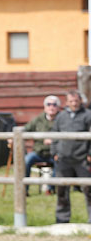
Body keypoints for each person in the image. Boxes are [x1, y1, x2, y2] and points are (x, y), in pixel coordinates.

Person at [51, 90, 91, 224]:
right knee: (62, 190)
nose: (74, 103)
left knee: (88, 189)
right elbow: (54, 134)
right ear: (66, 102)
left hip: (82, 158)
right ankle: (62, 220)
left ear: (80, 101)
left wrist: (90, 154)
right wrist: (54, 152)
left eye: (76, 101)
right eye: (71, 101)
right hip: (63, 158)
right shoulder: (61, 116)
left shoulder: (88, 115)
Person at [23, 95, 60, 196]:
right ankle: (24, 190)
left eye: (54, 105)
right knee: (26, 160)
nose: (51, 107)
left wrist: (54, 141)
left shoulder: (62, 119)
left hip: (55, 153)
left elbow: (68, 135)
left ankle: (50, 189)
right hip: (39, 152)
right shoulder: (38, 119)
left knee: (60, 161)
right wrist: (13, 136)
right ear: (45, 107)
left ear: (58, 107)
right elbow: (26, 129)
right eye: (49, 104)